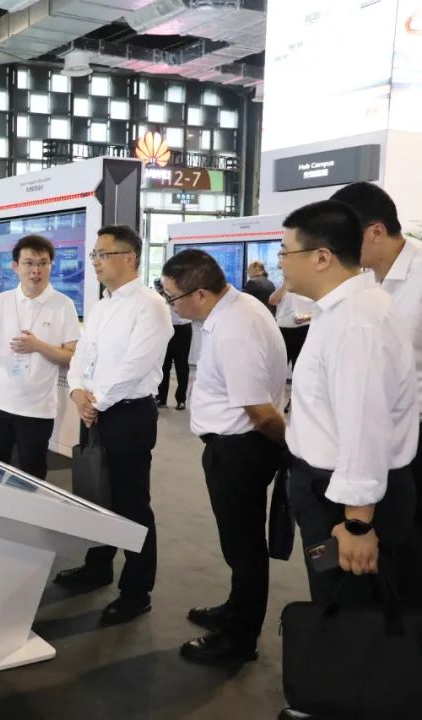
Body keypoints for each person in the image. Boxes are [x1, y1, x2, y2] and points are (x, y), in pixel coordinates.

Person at [276, 200, 419, 719]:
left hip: (348, 500)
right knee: (339, 599)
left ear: (321, 257)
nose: (280, 262)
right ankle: (339, 691)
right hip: (327, 489)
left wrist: (358, 523)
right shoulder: (342, 311)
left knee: (358, 607)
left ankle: (356, 700)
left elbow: (365, 426)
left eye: (285, 251)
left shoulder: (359, 321)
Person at [161, 250, 288, 665]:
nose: (172, 306)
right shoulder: (236, 308)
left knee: (244, 547)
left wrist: (285, 446)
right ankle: (236, 609)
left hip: (240, 450)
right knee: (240, 544)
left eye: (173, 298)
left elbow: (261, 412)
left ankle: (239, 639)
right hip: (237, 446)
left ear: (200, 294)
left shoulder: (235, 328)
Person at [56, 225, 172, 626]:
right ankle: (98, 565)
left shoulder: (150, 306)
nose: (96, 262)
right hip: (94, 410)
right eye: (94, 255)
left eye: (103, 254)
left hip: (128, 414)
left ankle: (136, 591)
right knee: (97, 493)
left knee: (131, 502)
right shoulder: (102, 306)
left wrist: (96, 401)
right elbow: (81, 355)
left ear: (130, 257)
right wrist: (77, 392)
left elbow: (135, 366)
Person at [331, 181, 422, 597]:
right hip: (379, 436)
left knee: (411, 546)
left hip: (414, 433)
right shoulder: (367, 281)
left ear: (376, 231)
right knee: (388, 547)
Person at [0, 235, 80, 479]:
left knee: (32, 477)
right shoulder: (2, 301)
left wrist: (38, 346)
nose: (36, 270)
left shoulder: (64, 305)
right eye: (29, 263)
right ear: (15, 266)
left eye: (43, 263)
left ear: (51, 265)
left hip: (37, 409)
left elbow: (71, 356)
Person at [155, 293, 193, 411]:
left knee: (181, 365)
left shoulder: (185, 288)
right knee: (164, 364)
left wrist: (173, 299)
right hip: (166, 326)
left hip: (183, 327)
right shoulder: (163, 288)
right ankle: (161, 398)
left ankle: (181, 399)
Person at [269, 282, 313, 369]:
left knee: (299, 365)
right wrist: (285, 285)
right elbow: (272, 301)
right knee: (279, 365)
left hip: (303, 329)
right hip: (282, 329)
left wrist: (306, 317)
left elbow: (321, 309)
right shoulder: (284, 285)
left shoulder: (311, 285)